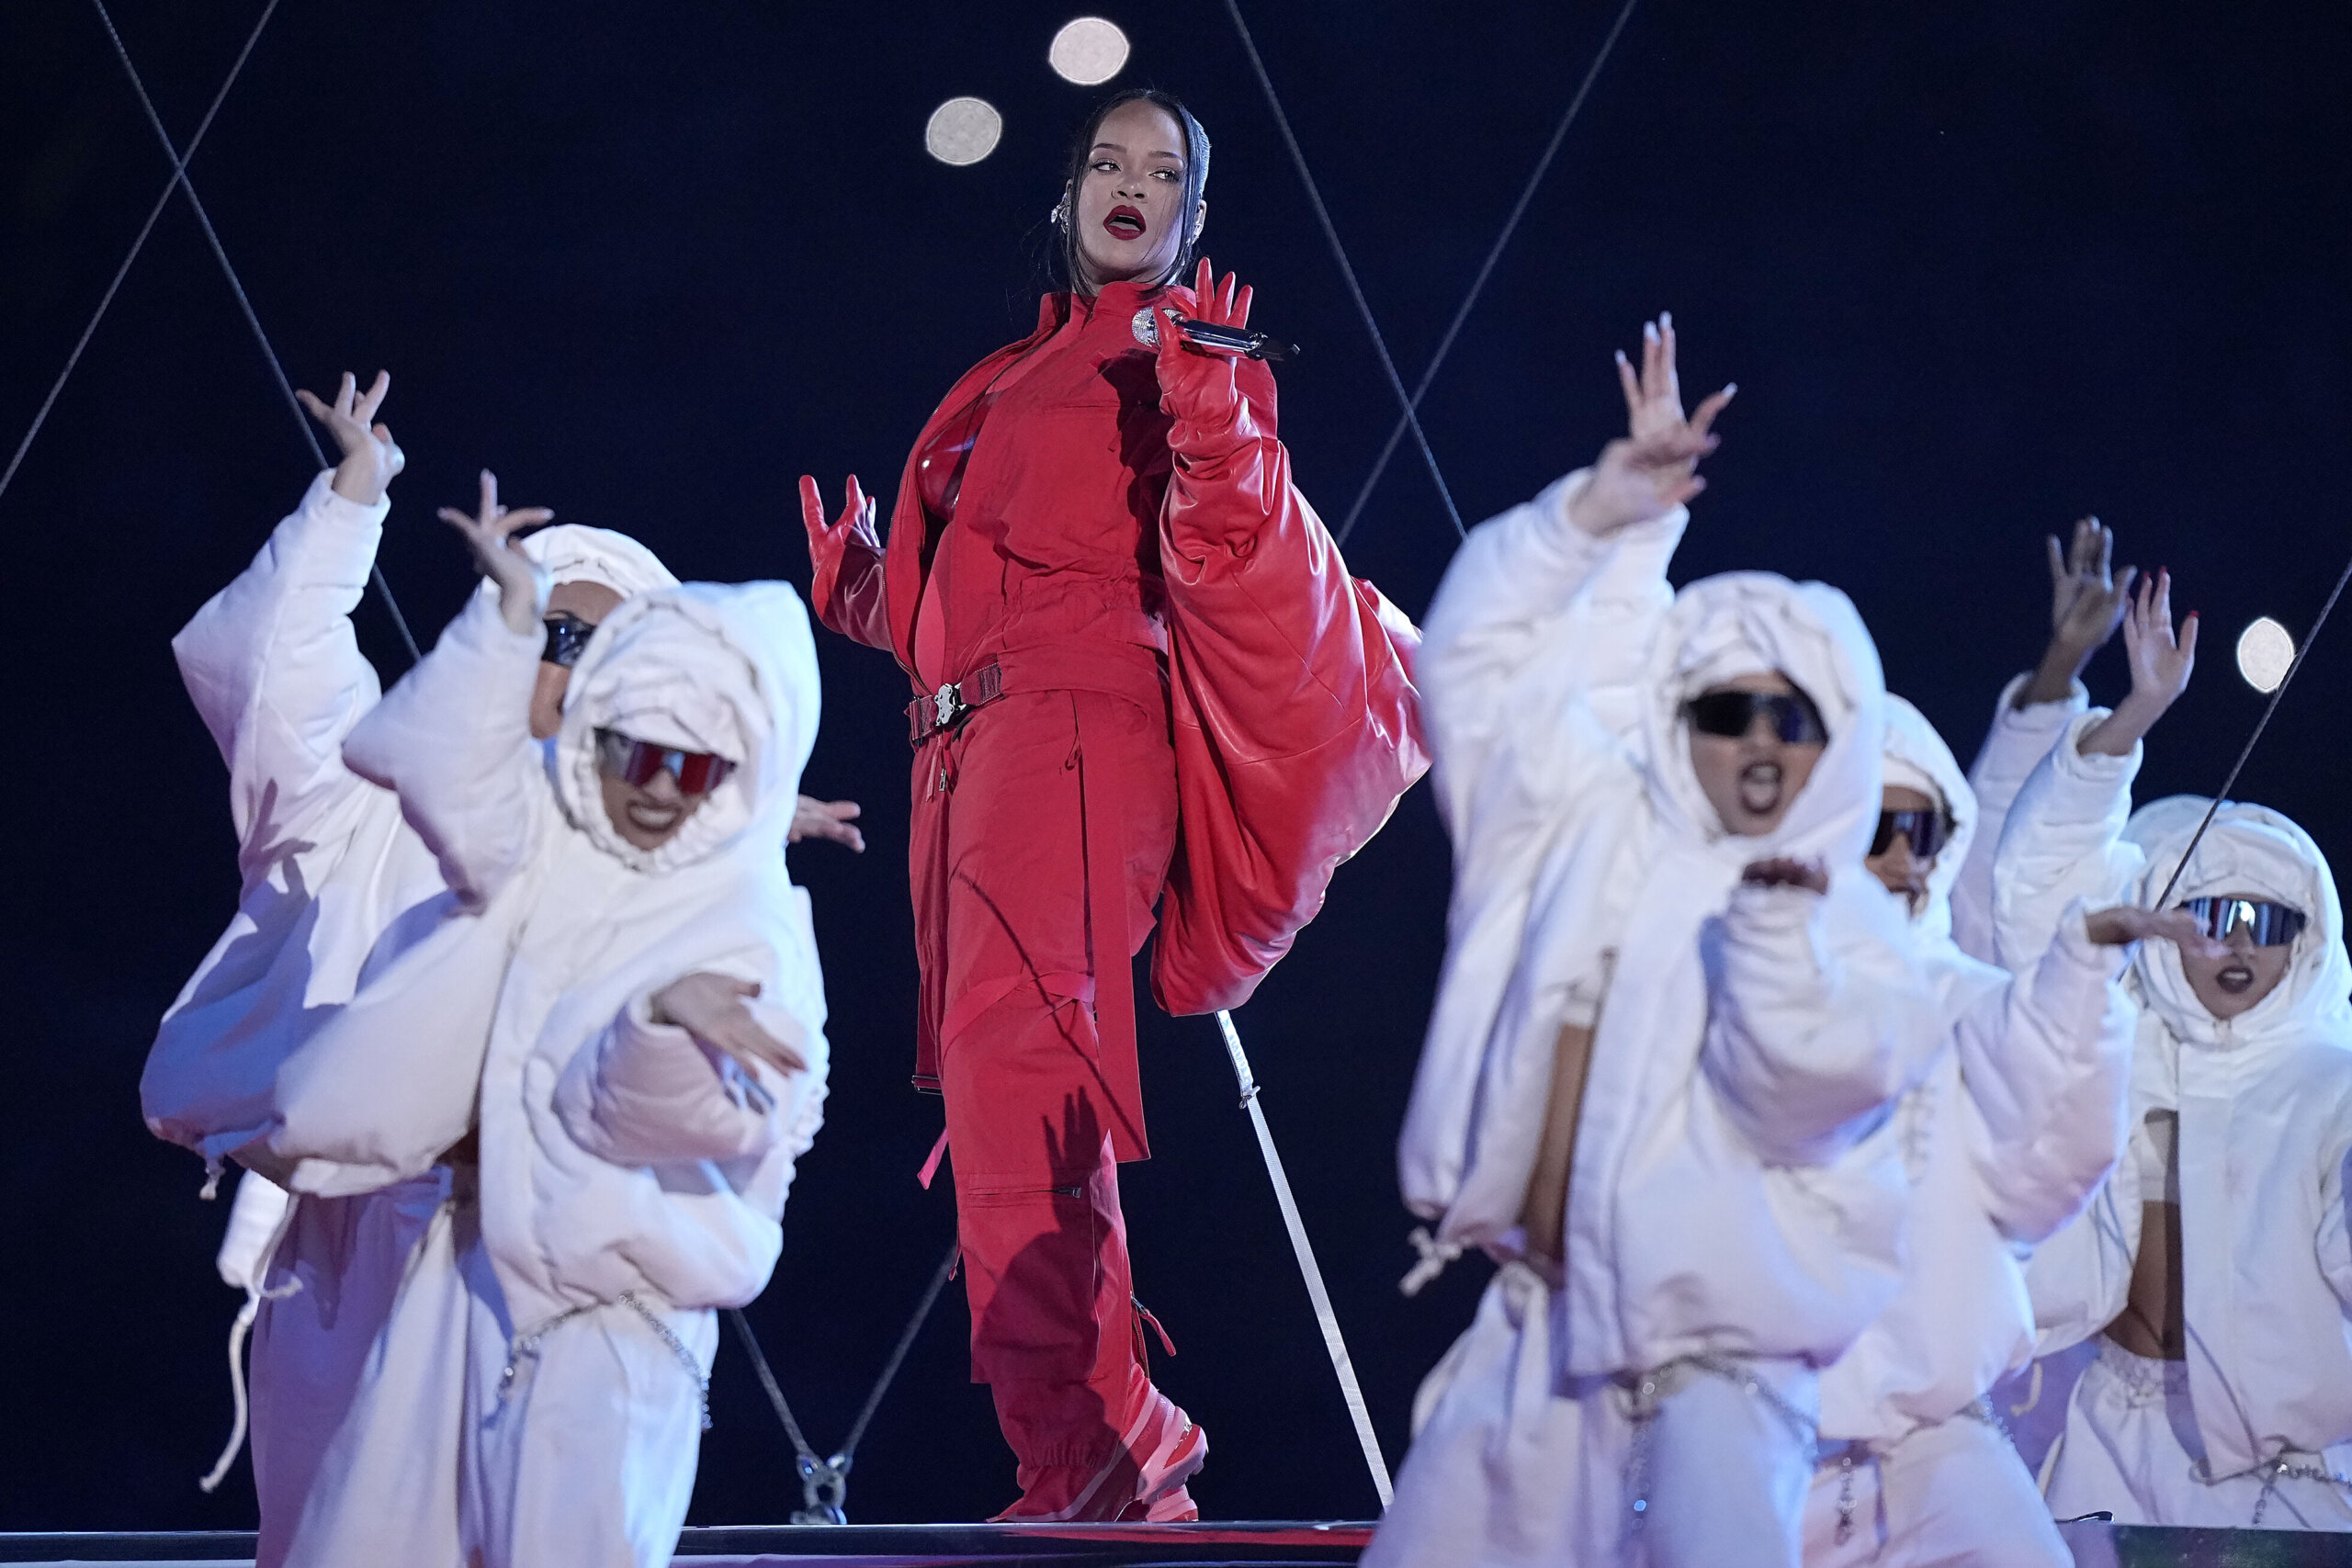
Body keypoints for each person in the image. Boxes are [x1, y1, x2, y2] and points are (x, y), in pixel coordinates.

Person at [798, 86, 1424, 1519]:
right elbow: (1001, 585)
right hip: (968, 763)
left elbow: (1231, 526)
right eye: (1107, 162)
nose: (1129, 185)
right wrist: (875, 597)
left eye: (1164, 173)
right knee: (1005, 1100)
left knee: (1028, 1089)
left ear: (1194, 219)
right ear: (1070, 192)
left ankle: (1109, 1457)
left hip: (1076, 746)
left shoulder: (1181, 355)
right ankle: (1085, 1454)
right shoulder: (1016, 369)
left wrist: (1213, 408)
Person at [1373, 318, 1942, 1568]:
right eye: (1725, 709)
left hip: (1720, 1383)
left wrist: (1780, 928)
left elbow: (1808, 1084)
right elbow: (1475, 667)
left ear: (1834, 736)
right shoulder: (1580, 819)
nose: (1755, 741)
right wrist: (1595, 520)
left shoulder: (1863, 927)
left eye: (1790, 718)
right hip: (1538, 1339)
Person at [259, 491, 831, 1568]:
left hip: (605, 1334)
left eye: (694, 765)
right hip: (443, 1283)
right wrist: (505, 619)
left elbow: (713, 1125)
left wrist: (659, 1025)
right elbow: (439, 765)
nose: (656, 789)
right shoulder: (550, 853)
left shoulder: (747, 925)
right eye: (632, 751)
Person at [1800, 689, 2209, 1566]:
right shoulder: (1733, 986)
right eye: (1878, 827)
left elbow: (2054, 1161)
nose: (1906, 857)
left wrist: (2081, 978)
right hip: (1756, 1440)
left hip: (1933, 1446)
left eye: (1927, 830)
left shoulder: (1970, 997)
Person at [1999, 580, 2352, 1529]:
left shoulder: (2332, 1087)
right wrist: (2138, 711)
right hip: (2111, 1439)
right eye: (2209, 915)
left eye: (2265, 921)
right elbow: (2035, 892)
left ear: (2305, 943)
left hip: (2283, 1477)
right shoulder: (2126, 1043)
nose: (2236, 944)